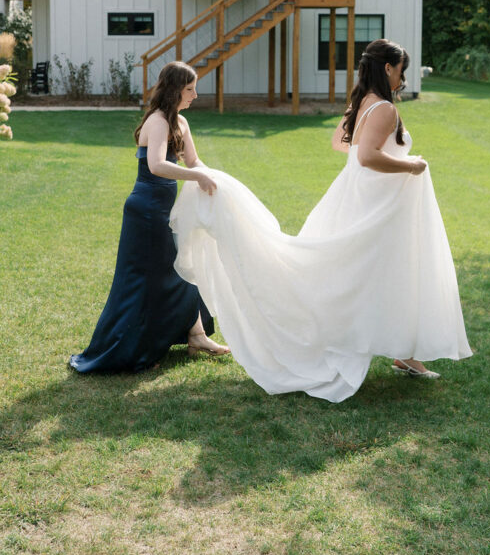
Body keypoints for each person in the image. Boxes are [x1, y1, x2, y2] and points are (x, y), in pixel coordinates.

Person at [171, 39, 472, 402]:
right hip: (377, 206)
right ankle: (377, 348)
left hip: (360, 198)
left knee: (383, 274)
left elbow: (341, 144)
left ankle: (406, 354)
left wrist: (376, 157)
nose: (403, 78)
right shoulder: (386, 111)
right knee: (375, 274)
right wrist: (411, 164)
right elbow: (366, 157)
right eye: (401, 70)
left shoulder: (362, 103)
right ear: (388, 68)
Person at [70, 61, 229, 373]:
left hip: (167, 211)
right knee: (147, 279)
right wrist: (196, 178)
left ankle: (196, 335)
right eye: (189, 89)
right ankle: (134, 348)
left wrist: (215, 179)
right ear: (173, 90)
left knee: (184, 266)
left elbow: (193, 160)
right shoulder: (157, 122)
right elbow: (156, 165)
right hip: (145, 212)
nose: (195, 94)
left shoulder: (180, 122)